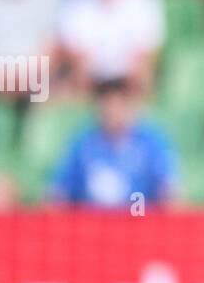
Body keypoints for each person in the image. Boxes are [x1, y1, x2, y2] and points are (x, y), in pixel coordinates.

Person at [51, 78, 178, 207]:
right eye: (107, 104)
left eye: (119, 104)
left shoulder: (151, 142)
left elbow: (167, 191)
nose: (113, 111)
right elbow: (60, 191)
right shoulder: (83, 143)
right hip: (91, 224)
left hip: (138, 222)